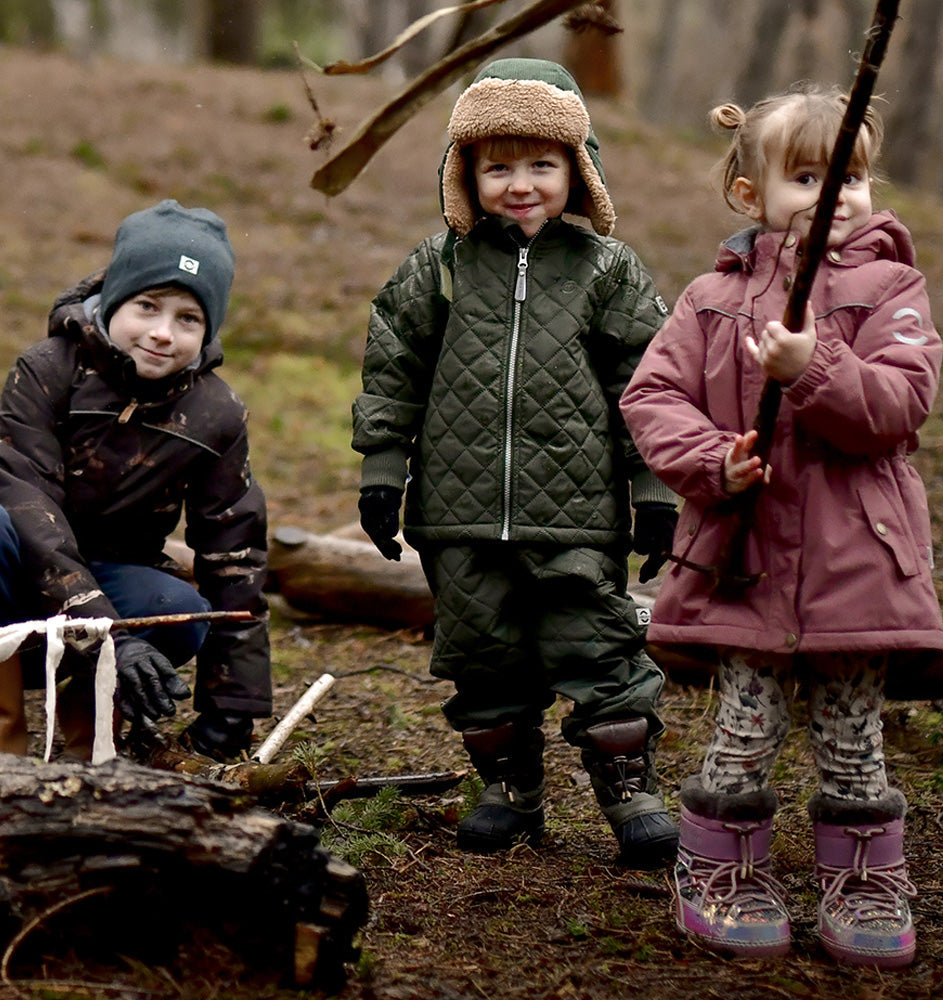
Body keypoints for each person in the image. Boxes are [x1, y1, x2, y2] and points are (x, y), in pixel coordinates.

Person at [619, 85, 943, 966]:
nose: (836, 194)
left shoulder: (893, 288)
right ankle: (720, 869)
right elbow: (652, 397)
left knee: (851, 736)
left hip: (858, 568)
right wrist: (712, 463)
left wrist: (815, 365)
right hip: (747, 559)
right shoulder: (711, 298)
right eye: (808, 176)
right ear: (749, 194)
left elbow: (899, 409)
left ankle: (867, 877)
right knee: (744, 731)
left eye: (853, 176)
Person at [352, 58, 680, 868]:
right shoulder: (438, 268)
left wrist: (654, 487)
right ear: (464, 173)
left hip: (576, 510)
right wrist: (383, 470)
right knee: (481, 652)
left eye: (543, 164)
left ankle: (628, 788)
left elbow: (646, 382)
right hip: (457, 512)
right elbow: (392, 369)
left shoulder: (609, 270)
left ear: (580, 169)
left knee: (596, 645)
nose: (521, 184)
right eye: (497, 166)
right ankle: (509, 788)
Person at [0, 199, 271, 761]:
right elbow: (26, 506)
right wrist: (111, 633)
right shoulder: (48, 371)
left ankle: (89, 747)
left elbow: (234, 552)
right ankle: (1, 747)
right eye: (147, 306)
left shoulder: (216, 414)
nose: (163, 333)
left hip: (110, 581)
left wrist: (233, 705)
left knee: (178, 606)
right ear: (115, 300)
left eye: (188, 318)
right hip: (14, 584)